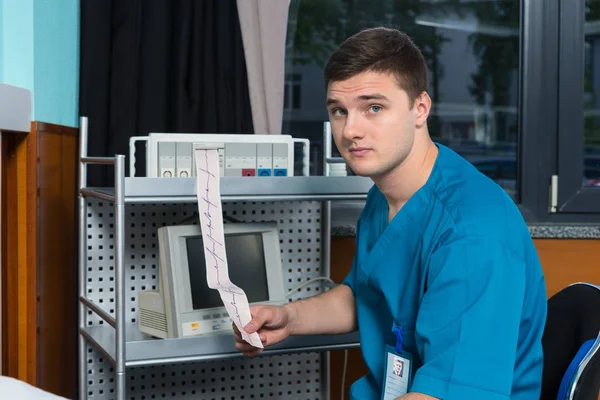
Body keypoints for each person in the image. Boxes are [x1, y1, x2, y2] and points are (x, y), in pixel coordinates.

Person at [233, 27, 547, 399]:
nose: (350, 130)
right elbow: (365, 296)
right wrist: (290, 318)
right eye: (339, 111)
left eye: (374, 108)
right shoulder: (384, 198)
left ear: (421, 108)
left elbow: (452, 392)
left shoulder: (471, 233)